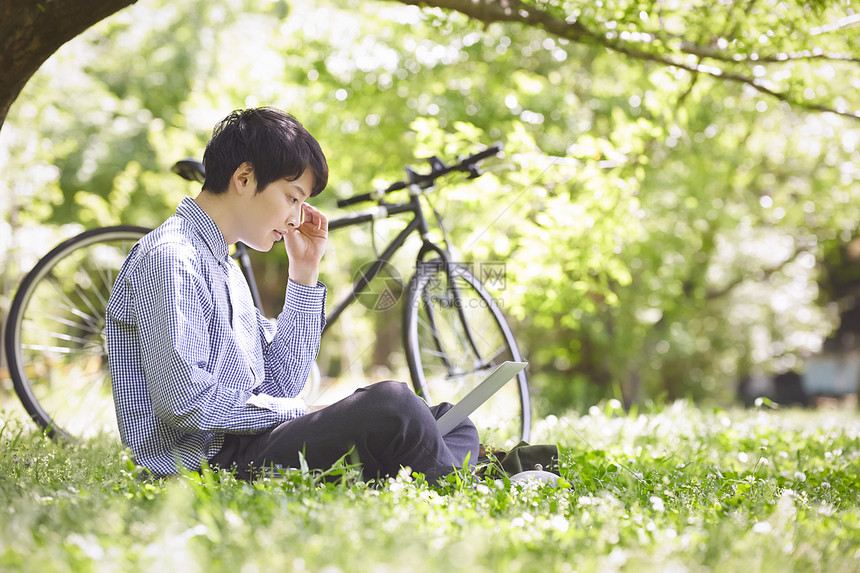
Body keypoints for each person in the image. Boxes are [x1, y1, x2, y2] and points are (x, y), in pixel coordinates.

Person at [105, 107, 478, 482]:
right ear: (245, 178)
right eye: (292, 198)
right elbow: (184, 403)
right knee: (395, 407)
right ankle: (455, 479)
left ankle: (432, 468)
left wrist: (304, 273)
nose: (296, 219)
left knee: (448, 419)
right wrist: (298, 412)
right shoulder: (172, 257)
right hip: (211, 461)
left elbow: (280, 385)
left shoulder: (224, 265)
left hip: (251, 441)